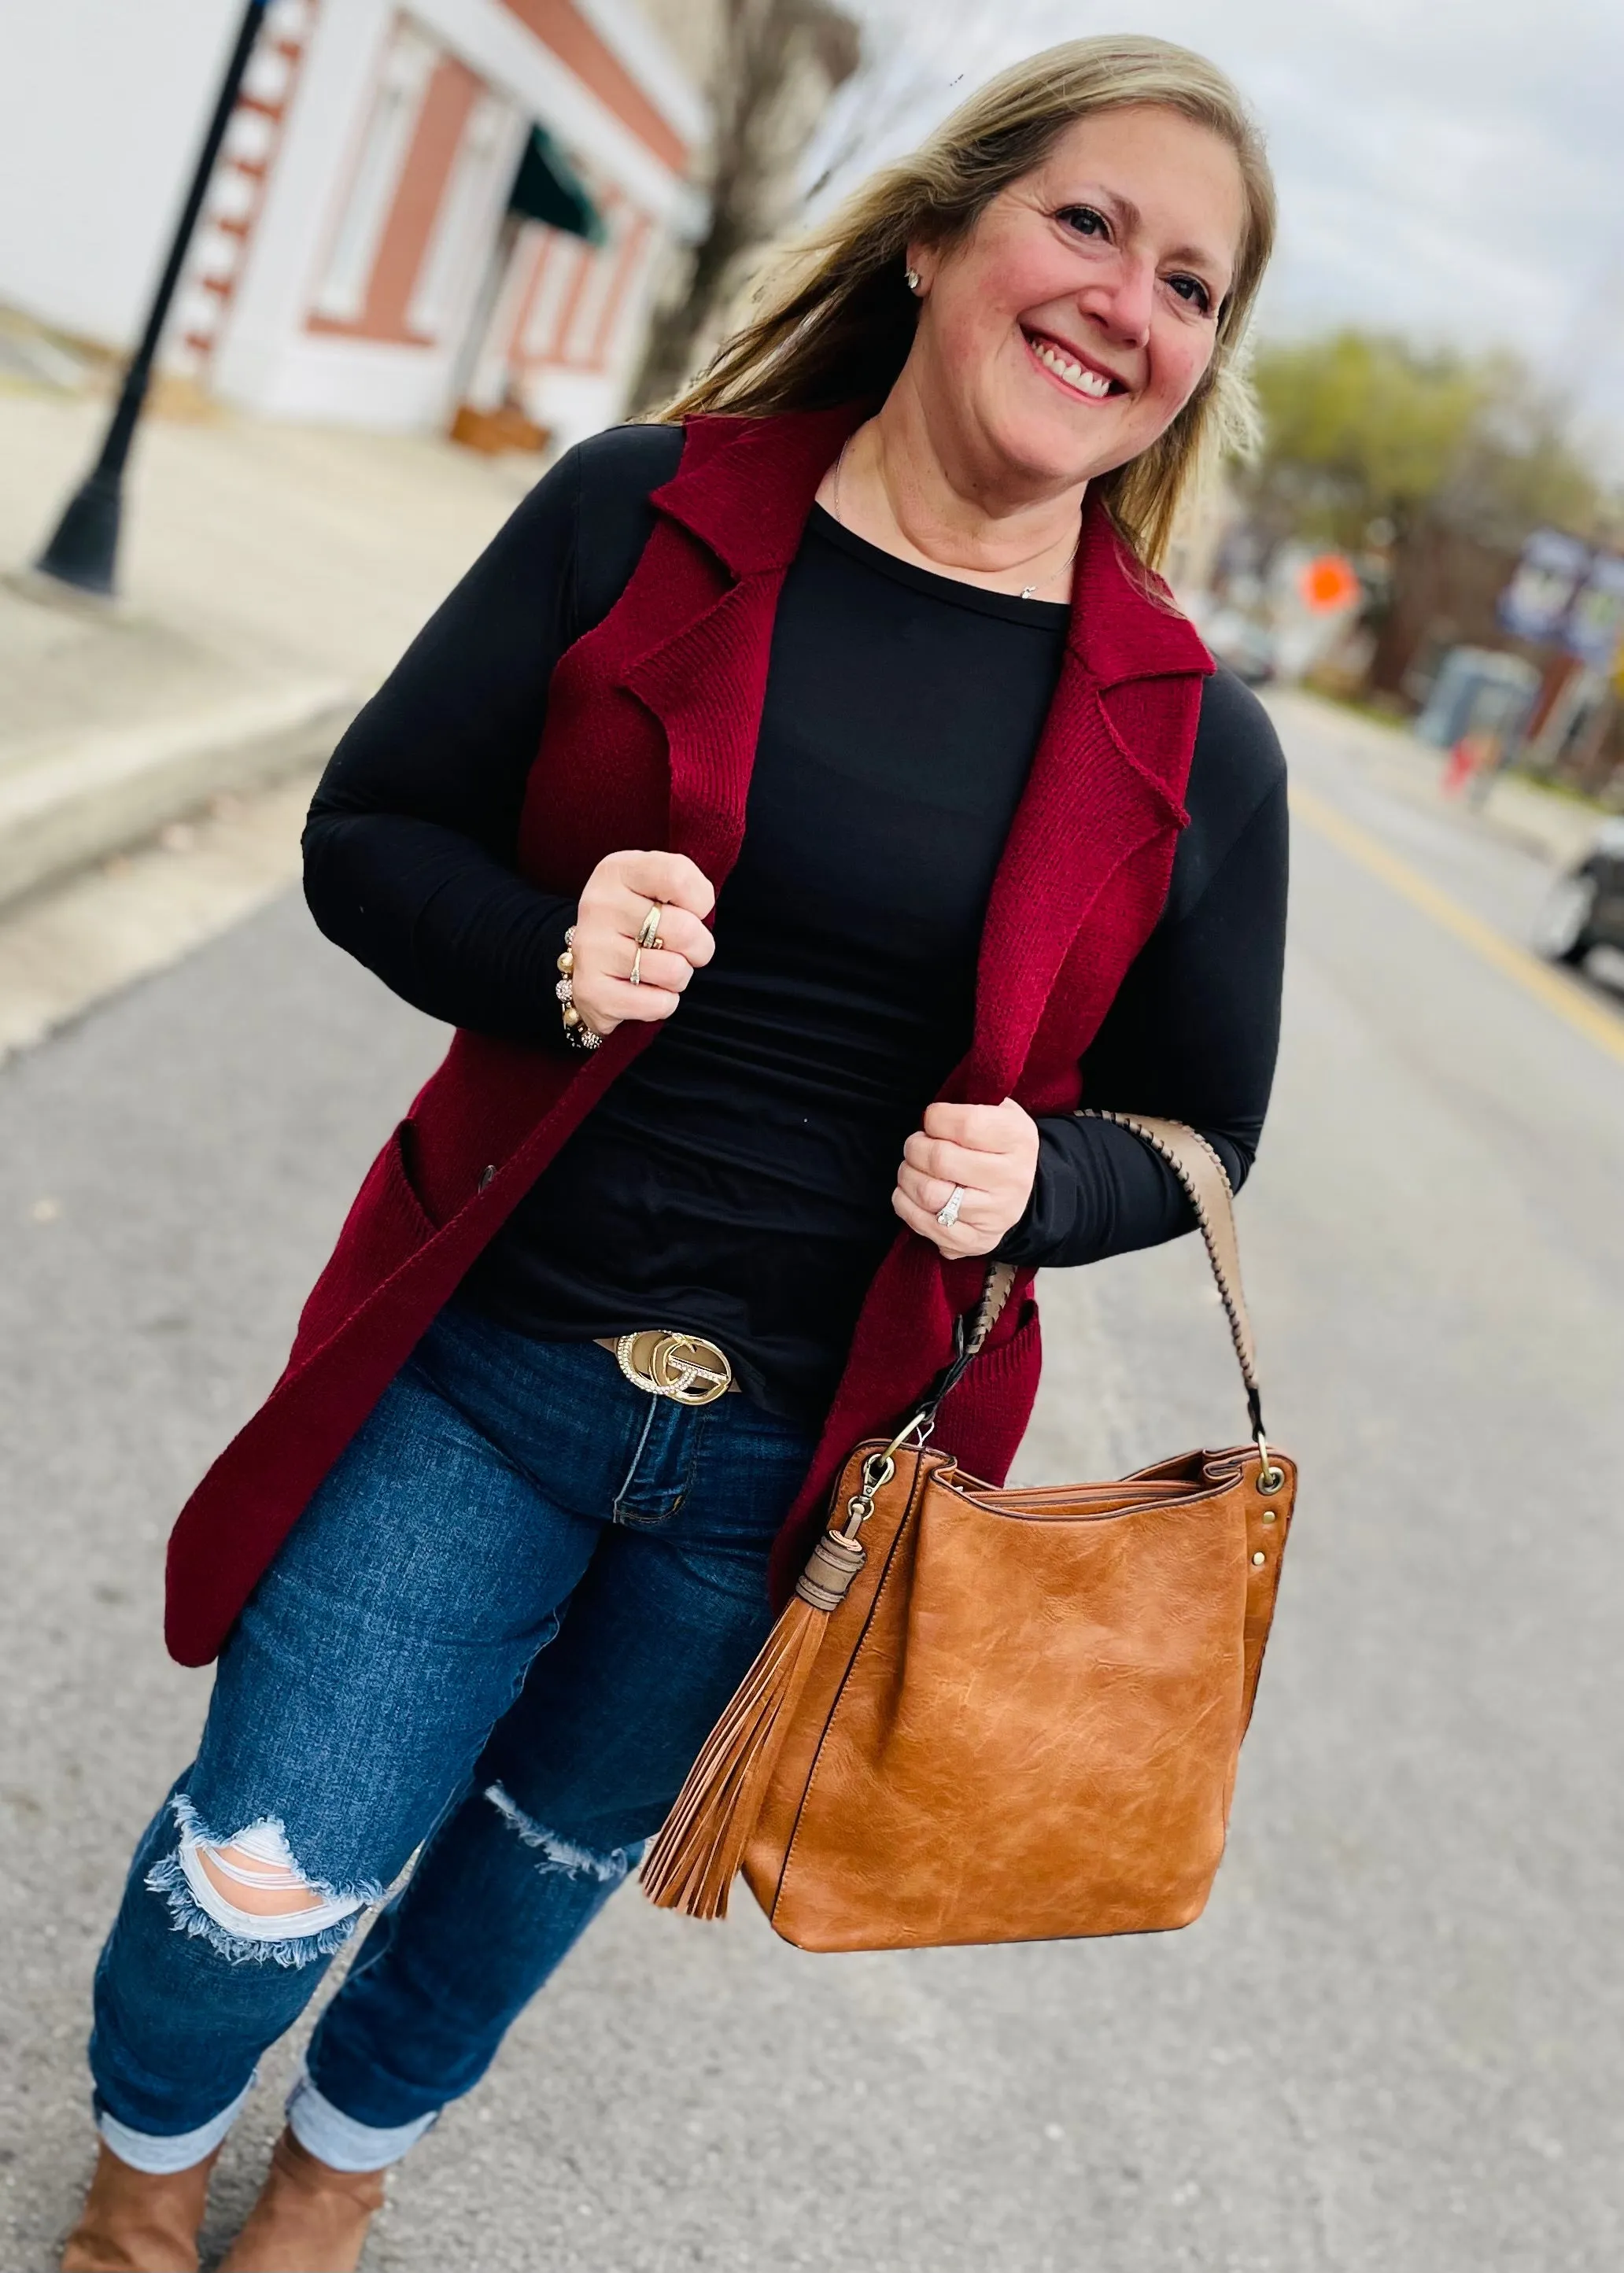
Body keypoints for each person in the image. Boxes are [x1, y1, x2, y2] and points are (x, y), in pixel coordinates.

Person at [64, 35, 1286, 2273]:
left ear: (1199, 367)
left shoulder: (1196, 733)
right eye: (1091, 223)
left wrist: (1045, 1182)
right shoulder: (648, 513)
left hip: (809, 1476)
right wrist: (548, 946)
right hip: (485, 1366)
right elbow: (365, 837)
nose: (1134, 299)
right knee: (260, 1868)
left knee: (528, 1876)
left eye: (1195, 283)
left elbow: (1208, 1131)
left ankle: (328, 2187)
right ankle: (146, 2187)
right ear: (937, 236)